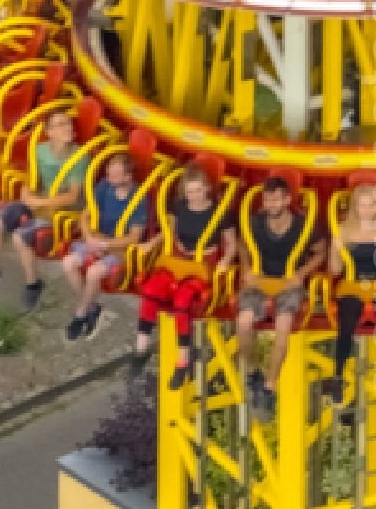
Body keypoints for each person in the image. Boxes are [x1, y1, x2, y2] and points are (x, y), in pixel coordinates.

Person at [0, 107, 87, 310]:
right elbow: (33, 180)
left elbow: (73, 196)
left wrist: (39, 203)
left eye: (68, 123)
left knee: (20, 237)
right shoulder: (40, 151)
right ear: (49, 132)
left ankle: (33, 285)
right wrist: (26, 194)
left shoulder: (79, 157)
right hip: (42, 201)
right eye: (60, 124)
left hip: (64, 211)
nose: (67, 128)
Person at [133, 164, 235, 390]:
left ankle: (183, 358)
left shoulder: (219, 212)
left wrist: (225, 260)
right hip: (178, 259)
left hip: (201, 265)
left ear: (206, 189)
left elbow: (231, 244)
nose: (194, 196)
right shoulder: (179, 207)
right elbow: (168, 232)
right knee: (151, 290)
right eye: (189, 192)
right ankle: (141, 347)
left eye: (198, 191)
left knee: (182, 300)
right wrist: (151, 243)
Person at [237, 175, 323, 413]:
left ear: (287, 200)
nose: (271, 205)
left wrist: (301, 274)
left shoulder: (302, 225)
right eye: (267, 200)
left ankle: (269, 385)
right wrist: (247, 268)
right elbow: (242, 243)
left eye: (276, 200)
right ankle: (253, 372)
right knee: (243, 322)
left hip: (287, 284)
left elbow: (320, 252)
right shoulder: (256, 223)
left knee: (282, 326)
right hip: (261, 280)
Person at [327, 179, 376, 403]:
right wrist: (336, 248)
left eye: (371, 205)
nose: (366, 210)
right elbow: (335, 270)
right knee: (347, 322)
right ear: (354, 207)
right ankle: (338, 376)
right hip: (352, 282)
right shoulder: (342, 230)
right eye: (362, 205)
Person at [62, 151, 149, 342]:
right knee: (68, 262)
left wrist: (104, 244)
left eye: (115, 175)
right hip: (97, 239)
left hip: (119, 247)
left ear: (128, 177)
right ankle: (92, 307)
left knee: (94, 272)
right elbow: (85, 215)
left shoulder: (139, 197)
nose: (109, 178)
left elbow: (134, 237)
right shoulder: (104, 187)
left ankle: (80, 314)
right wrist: (89, 238)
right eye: (109, 173)